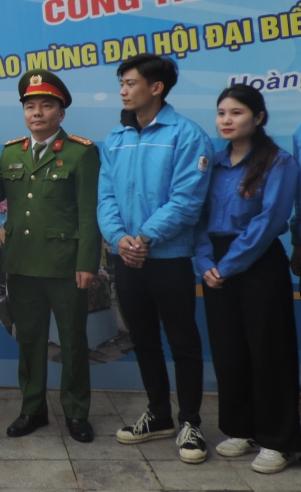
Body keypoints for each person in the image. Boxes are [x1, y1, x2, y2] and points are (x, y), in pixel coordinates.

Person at [97, 53, 213, 463]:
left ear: (156, 88)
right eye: (122, 84)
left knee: (183, 341)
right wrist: (119, 238)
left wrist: (144, 237)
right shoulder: (115, 138)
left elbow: (187, 201)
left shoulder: (187, 135)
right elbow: (106, 197)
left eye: (130, 83)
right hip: (126, 258)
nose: (123, 90)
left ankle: (191, 422)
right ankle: (159, 415)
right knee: (142, 339)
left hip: (169, 258)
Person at [0, 70, 101, 443]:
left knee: (74, 342)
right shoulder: (13, 151)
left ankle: (77, 413)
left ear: (61, 113)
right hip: (23, 264)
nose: (38, 113)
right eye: (31, 106)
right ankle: (33, 410)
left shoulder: (82, 152)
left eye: (47, 106)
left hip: (65, 266)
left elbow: (88, 213)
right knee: (29, 340)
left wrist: (86, 264)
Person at [195, 84, 301, 474]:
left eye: (236, 113)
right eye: (222, 112)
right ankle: (242, 428)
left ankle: (280, 440)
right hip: (215, 264)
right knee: (229, 349)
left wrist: (228, 265)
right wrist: (205, 260)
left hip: (257, 263)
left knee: (268, 351)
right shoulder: (213, 163)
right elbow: (199, 218)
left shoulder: (278, 161)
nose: (226, 119)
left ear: (258, 118)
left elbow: (270, 219)